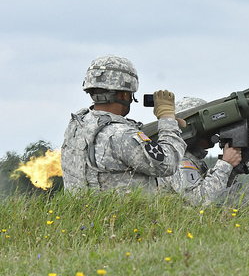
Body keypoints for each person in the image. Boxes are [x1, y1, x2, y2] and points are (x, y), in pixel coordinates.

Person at [61, 55, 186, 192]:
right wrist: (167, 120)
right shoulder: (122, 135)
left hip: (85, 211)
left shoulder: (76, 126)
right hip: (125, 213)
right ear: (123, 95)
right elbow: (167, 164)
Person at [159, 97, 249, 206]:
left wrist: (232, 170)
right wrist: (225, 164)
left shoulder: (193, 159)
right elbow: (199, 200)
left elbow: (218, 195)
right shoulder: (177, 161)